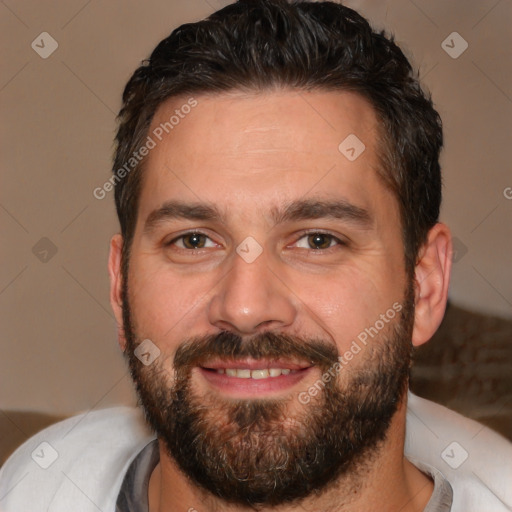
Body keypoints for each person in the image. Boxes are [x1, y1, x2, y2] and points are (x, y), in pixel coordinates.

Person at [1, 1, 511, 511]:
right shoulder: (37, 485)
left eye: (317, 240)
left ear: (423, 286)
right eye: (194, 241)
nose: (245, 307)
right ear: (119, 286)